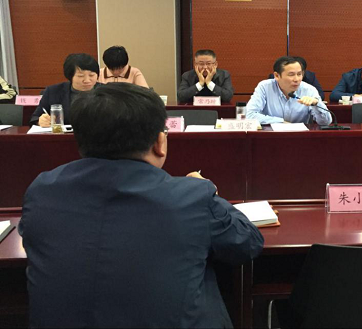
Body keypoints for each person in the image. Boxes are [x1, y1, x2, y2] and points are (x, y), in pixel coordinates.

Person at [19, 83, 264, 328]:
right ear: (160, 142)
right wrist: (213, 195)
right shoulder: (192, 196)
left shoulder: (42, 191)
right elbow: (247, 243)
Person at [247, 56, 332, 125]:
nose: (296, 79)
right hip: (270, 136)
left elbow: (326, 122)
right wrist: (281, 122)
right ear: (277, 76)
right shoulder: (265, 87)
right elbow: (249, 115)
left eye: (299, 74)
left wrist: (316, 104)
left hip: (300, 137)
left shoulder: (309, 90)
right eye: (291, 75)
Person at [30, 53, 101, 127]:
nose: (87, 80)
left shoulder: (107, 91)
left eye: (91, 75)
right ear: (70, 76)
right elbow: (35, 117)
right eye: (81, 76)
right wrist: (40, 121)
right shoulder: (53, 91)